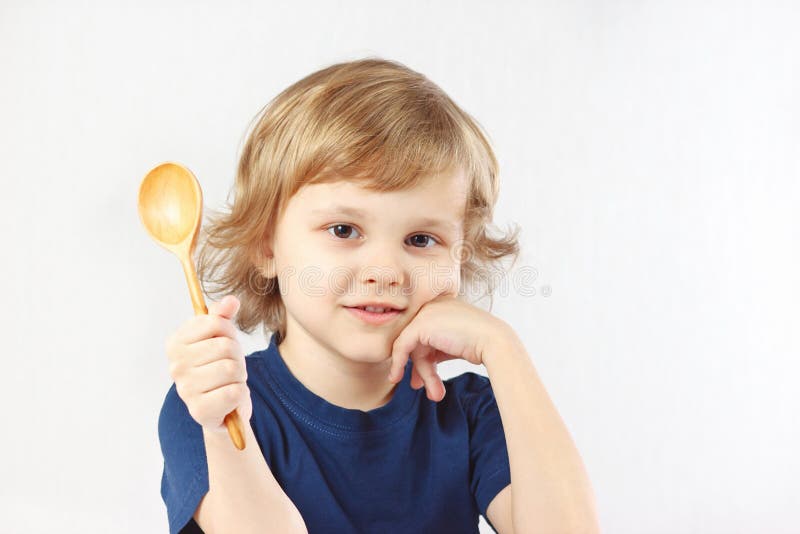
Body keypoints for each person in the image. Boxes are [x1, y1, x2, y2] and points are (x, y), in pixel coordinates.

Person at [158, 57, 599, 534]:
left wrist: (503, 349)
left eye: (421, 240)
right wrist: (223, 428)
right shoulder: (209, 407)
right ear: (266, 245)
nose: (386, 271)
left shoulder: (469, 413)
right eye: (344, 230)